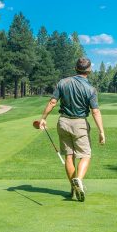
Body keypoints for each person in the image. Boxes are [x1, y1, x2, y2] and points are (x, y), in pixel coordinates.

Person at [39, 58, 105, 202]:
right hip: (79, 123)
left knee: (69, 157)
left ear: (75, 68)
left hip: (63, 122)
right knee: (85, 155)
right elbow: (95, 112)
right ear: (90, 70)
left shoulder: (63, 82)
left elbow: (52, 102)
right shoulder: (91, 89)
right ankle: (79, 181)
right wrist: (101, 132)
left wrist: (43, 118)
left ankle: (74, 188)